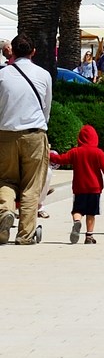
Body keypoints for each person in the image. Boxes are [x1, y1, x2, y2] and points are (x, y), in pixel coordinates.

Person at [0, 35, 53, 244]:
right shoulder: (43, 75)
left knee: (5, 179)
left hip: (5, 133)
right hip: (34, 133)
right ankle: (25, 234)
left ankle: (5, 211)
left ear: (12, 51)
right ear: (33, 52)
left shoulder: (2, 75)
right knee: (32, 184)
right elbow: (46, 107)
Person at [48, 122, 104, 244]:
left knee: (77, 210)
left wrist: (48, 154)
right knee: (91, 213)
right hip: (94, 189)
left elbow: (61, 159)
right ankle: (89, 236)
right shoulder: (98, 153)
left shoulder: (75, 152)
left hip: (79, 188)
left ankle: (77, 222)